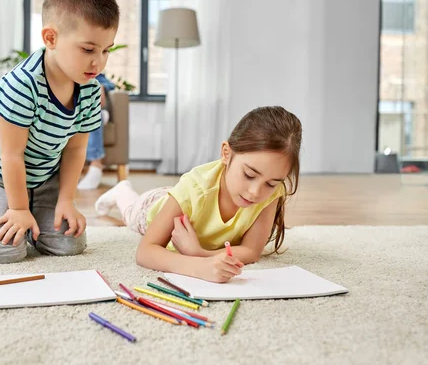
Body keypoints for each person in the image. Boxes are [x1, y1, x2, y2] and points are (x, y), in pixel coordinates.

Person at [0, 0, 120, 263]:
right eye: (88, 49)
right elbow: (12, 155)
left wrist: (65, 200)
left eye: (106, 50)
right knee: (4, 252)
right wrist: (19, 210)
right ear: (51, 37)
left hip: (44, 178)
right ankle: (8, 209)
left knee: (70, 246)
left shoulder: (89, 88)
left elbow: (75, 148)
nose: (98, 61)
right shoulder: (22, 84)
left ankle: (33, 213)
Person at [94, 106, 302, 283]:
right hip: (154, 206)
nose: (255, 192)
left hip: (189, 202)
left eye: (271, 183)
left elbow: (251, 251)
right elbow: (146, 252)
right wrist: (197, 267)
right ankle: (122, 191)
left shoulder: (272, 193)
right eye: (249, 174)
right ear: (226, 154)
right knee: (131, 212)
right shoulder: (194, 188)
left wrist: (200, 254)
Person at [77, 73, 115, 190]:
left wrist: (100, 86)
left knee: (91, 111)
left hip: (90, 107)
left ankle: (96, 165)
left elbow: (109, 83)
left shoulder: (92, 70)